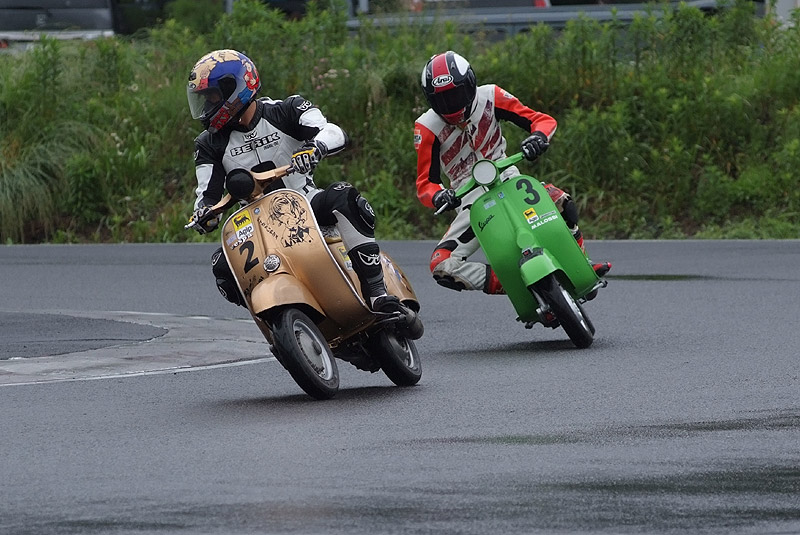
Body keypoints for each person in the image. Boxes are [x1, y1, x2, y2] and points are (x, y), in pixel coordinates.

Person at [186, 49, 401, 313]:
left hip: (306, 204)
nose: (207, 106)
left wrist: (315, 148)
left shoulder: (287, 109)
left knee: (343, 195)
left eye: (212, 96)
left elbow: (332, 131)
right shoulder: (208, 144)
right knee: (222, 264)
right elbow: (206, 195)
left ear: (236, 87)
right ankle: (273, 315)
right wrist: (205, 214)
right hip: (256, 227)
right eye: (204, 99)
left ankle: (377, 292)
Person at [414, 50, 611, 295]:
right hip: (469, 199)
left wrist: (538, 137)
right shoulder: (426, 127)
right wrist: (439, 196)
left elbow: (541, 120)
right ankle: (512, 283)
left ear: (471, 84)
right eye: (443, 100)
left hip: (509, 177)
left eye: (456, 94)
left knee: (561, 201)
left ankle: (582, 262)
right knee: (440, 265)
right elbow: (425, 182)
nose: (452, 105)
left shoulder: (491, 96)